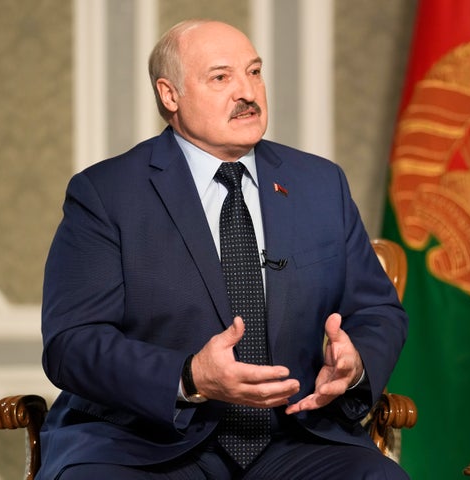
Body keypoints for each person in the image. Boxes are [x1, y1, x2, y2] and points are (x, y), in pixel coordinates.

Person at [37, 18, 409, 480]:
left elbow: (377, 311)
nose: (247, 92)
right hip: (143, 442)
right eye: (221, 77)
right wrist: (189, 375)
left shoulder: (319, 183)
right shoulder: (106, 193)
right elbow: (72, 343)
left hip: (293, 438)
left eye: (254, 72)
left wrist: (354, 367)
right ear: (170, 95)